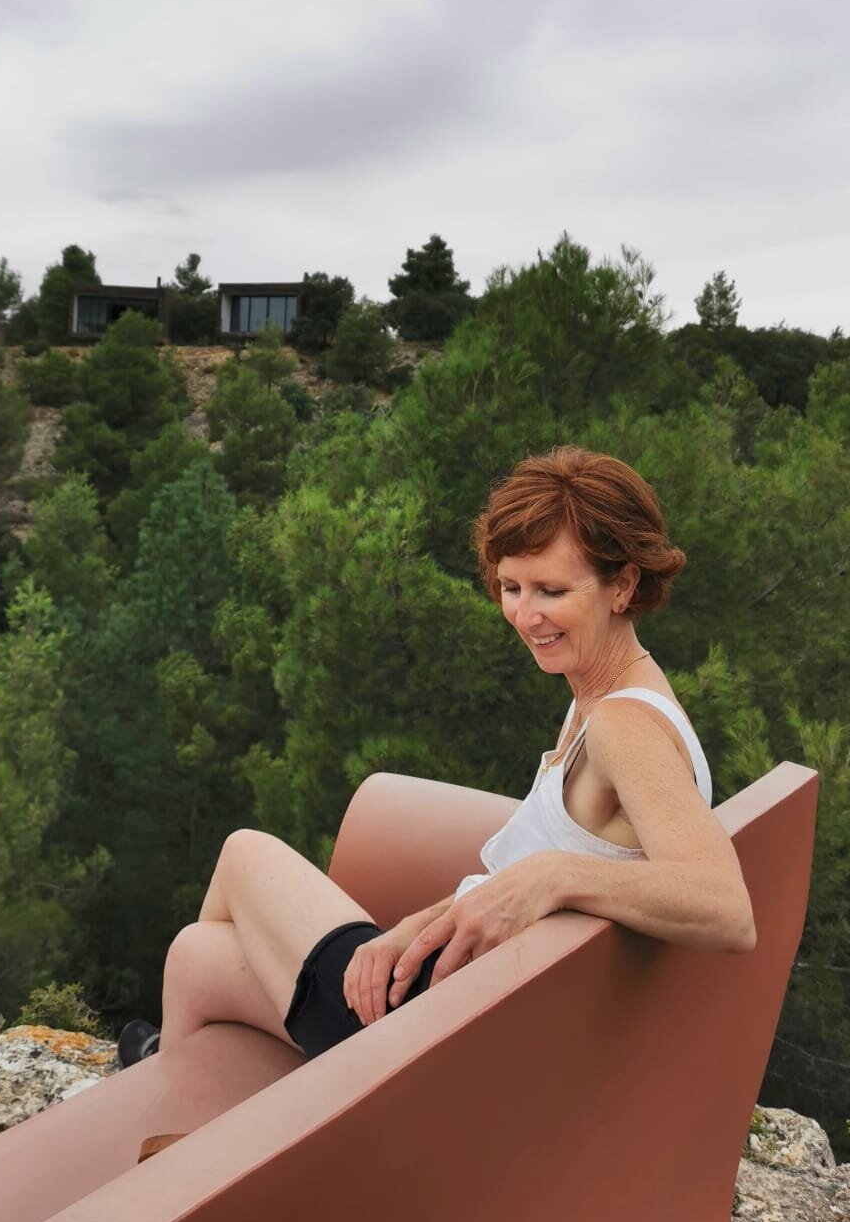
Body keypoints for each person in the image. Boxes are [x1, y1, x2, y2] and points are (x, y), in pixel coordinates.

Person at [117, 446, 755, 1072]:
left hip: (437, 1038)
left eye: (552, 590)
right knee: (198, 957)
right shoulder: (600, 695)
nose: (525, 614)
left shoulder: (623, 725)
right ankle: (171, 1090)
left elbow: (725, 905)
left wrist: (552, 876)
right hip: (461, 1002)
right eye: (510, 586)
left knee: (243, 851)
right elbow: (520, 881)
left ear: (623, 586)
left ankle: (254, 1124)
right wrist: (416, 926)